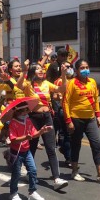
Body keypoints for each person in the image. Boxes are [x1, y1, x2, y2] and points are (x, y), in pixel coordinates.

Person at [63, 60, 100, 184]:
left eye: (87, 67)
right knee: (76, 145)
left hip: (90, 118)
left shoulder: (92, 82)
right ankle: (75, 171)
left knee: (96, 144)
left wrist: (98, 115)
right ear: (76, 70)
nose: (85, 70)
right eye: (82, 68)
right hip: (76, 118)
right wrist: (68, 120)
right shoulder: (71, 83)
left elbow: (95, 100)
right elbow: (65, 102)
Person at [23, 62, 69, 190]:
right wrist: (24, 71)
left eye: (42, 68)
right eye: (37, 69)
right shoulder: (28, 85)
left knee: (51, 147)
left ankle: (56, 179)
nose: (41, 70)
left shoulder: (46, 84)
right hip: (33, 118)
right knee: (31, 147)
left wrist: (64, 75)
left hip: (47, 117)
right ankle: (30, 173)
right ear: (32, 72)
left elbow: (62, 89)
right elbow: (19, 84)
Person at [7, 101, 52, 200]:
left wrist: (41, 131)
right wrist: (25, 137)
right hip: (16, 152)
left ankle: (32, 192)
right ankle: (13, 193)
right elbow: (13, 139)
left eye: (27, 110)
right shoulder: (13, 123)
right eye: (25, 110)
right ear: (18, 112)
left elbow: (34, 134)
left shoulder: (28, 120)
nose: (27, 112)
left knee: (33, 170)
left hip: (26, 151)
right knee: (16, 174)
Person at [51, 60, 73, 166]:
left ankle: (64, 148)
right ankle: (69, 158)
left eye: (70, 67)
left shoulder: (74, 80)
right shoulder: (58, 81)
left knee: (77, 134)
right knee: (67, 134)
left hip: (75, 111)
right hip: (63, 110)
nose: (69, 69)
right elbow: (54, 96)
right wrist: (59, 96)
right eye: (67, 67)